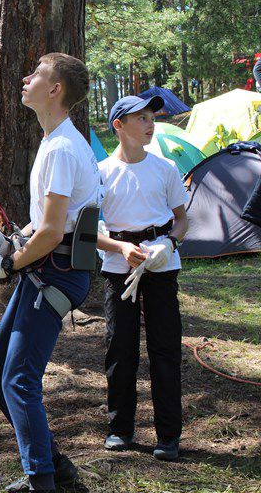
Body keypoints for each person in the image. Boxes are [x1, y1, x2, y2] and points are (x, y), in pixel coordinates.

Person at [0, 53, 103, 492]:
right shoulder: (54, 142)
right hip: (50, 270)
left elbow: (51, 233)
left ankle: (41, 481)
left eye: (37, 75)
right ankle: (53, 465)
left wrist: (9, 264)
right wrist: (10, 240)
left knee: (17, 378)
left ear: (55, 90)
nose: (25, 78)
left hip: (57, 274)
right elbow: (43, 224)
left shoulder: (63, 148)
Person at [96, 95, 189, 461]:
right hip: (119, 269)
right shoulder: (100, 172)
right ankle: (120, 429)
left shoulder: (165, 168)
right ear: (119, 125)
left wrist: (169, 242)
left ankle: (168, 436)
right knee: (120, 348)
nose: (151, 124)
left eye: (152, 117)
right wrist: (119, 249)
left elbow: (182, 219)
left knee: (165, 348)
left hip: (161, 267)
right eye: (142, 118)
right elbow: (87, 230)